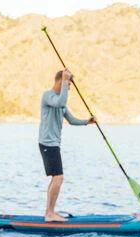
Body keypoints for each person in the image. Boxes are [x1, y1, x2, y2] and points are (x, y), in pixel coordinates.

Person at [39, 69, 95, 222]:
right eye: (68, 85)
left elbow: (71, 120)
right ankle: (49, 214)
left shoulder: (61, 102)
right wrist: (65, 79)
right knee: (58, 178)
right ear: (60, 81)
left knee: (56, 178)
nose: (68, 88)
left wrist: (87, 122)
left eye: (69, 85)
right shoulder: (48, 96)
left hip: (54, 144)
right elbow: (60, 101)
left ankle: (49, 212)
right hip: (47, 143)